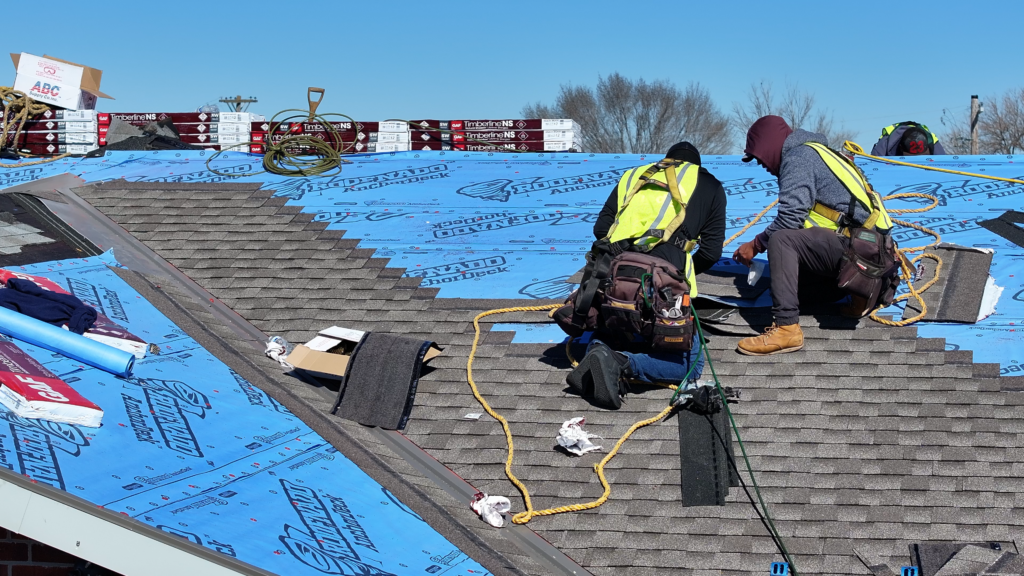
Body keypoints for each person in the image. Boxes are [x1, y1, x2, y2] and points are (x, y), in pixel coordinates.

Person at [567, 142, 727, 407]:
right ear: (696, 166)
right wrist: (679, 275)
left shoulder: (634, 175)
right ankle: (622, 363)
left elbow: (601, 229)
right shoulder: (709, 185)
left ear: (667, 159)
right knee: (690, 365)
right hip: (663, 286)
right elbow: (710, 253)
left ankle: (597, 351)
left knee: (613, 325)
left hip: (614, 276)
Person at [732, 115, 895, 355]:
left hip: (858, 254)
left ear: (769, 145)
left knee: (781, 239)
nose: (762, 165)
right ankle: (858, 292)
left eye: (759, 157)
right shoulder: (820, 153)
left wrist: (755, 245)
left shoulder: (798, 157)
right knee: (793, 290)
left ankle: (786, 328)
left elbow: (790, 219)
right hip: (870, 257)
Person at [870, 121, 946, 156]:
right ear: (901, 148)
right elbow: (873, 169)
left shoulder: (933, 143)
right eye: (912, 157)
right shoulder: (883, 146)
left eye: (923, 156)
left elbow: (945, 169)